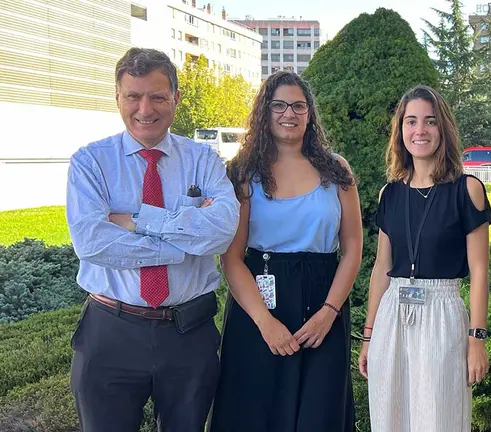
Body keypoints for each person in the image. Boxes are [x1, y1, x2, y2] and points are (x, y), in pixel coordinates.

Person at [65, 48, 239, 431]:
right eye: (133, 96)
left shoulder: (203, 160)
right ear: (117, 97)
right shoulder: (90, 163)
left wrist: (139, 220)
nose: (145, 109)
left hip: (188, 333)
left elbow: (222, 230)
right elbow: (92, 243)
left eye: (157, 97)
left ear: (176, 98)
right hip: (110, 332)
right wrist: (183, 242)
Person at [208, 71, 363, 431]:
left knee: (319, 416)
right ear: (265, 112)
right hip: (258, 310)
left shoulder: (336, 170)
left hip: (323, 310)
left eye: (298, 106)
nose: (288, 114)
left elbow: (353, 247)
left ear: (310, 113)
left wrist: (329, 312)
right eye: (278, 105)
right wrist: (265, 322)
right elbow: (231, 258)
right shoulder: (244, 172)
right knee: (254, 416)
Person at [359, 85, 491, 432]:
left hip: (442, 313)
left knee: (439, 418)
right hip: (393, 313)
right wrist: (368, 337)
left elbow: (480, 270)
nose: (420, 130)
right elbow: (382, 268)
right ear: (400, 130)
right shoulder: (390, 193)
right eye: (411, 121)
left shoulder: (467, 190)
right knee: (390, 417)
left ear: (443, 128)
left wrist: (476, 339)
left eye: (430, 121)